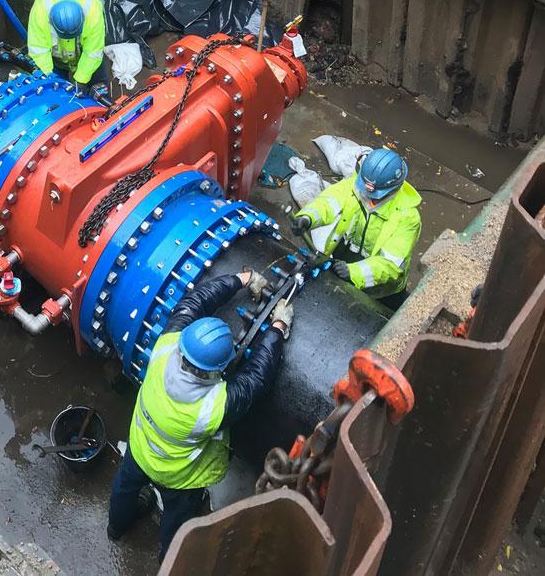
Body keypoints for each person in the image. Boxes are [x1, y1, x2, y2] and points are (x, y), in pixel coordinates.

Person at [107, 269, 293, 562]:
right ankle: (168, 561)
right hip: (178, 479)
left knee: (124, 488)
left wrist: (241, 278)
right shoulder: (213, 408)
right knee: (177, 521)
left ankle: (116, 527)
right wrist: (278, 326)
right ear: (217, 369)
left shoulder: (165, 347)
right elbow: (257, 377)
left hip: (139, 451)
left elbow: (193, 303)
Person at [291, 148, 421, 309]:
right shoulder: (357, 186)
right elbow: (330, 201)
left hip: (382, 289)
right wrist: (308, 217)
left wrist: (354, 273)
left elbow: (390, 265)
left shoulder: (408, 217)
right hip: (345, 257)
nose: (366, 195)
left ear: (392, 189)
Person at [27, 0, 107, 90]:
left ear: (83, 19)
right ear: (51, 21)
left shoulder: (93, 12)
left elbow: (93, 52)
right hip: (57, 58)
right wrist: (49, 79)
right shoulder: (40, 12)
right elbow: (39, 52)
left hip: (83, 53)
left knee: (98, 81)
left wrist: (80, 80)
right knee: (57, 86)